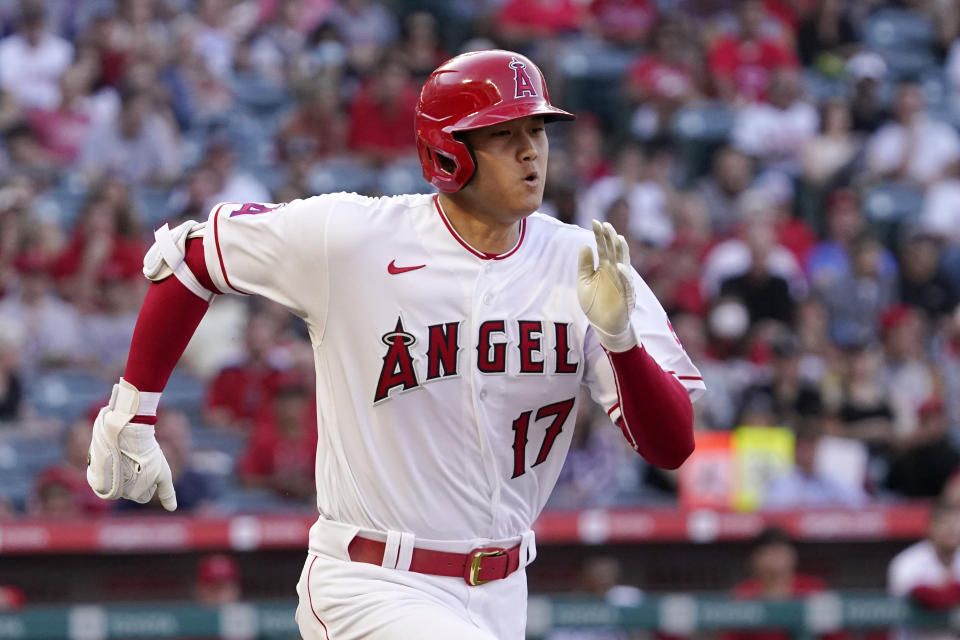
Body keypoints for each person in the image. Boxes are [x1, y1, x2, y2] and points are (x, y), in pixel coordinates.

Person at [84, 50, 704, 640]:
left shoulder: (585, 261)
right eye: (503, 134)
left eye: (538, 131)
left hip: (503, 590)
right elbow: (189, 255)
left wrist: (621, 341)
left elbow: (672, 447)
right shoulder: (354, 238)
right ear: (448, 151)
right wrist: (130, 415)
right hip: (371, 581)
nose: (530, 152)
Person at [888, 501, 960, 640]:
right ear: (930, 528)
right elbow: (909, 600)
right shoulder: (907, 563)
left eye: (957, 524)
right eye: (945, 523)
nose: (952, 529)